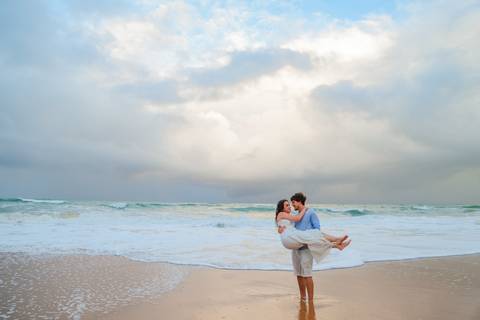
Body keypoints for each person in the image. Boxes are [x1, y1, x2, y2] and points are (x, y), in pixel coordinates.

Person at [276, 193, 350, 302]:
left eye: (293, 203)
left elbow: (317, 231)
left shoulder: (310, 212)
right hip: (296, 246)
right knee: (298, 274)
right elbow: (286, 224)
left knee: (307, 274)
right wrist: (280, 229)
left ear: (299, 201)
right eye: (289, 204)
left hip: (306, 247)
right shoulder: (294, 215)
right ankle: (303, 298)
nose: (292, 206)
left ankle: (310, 300)